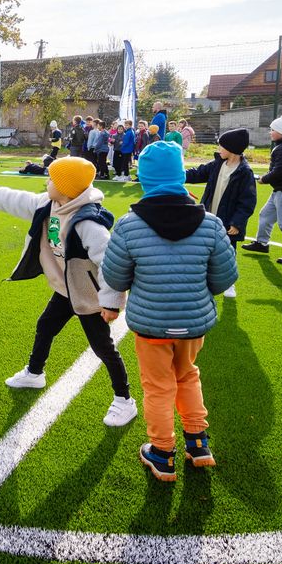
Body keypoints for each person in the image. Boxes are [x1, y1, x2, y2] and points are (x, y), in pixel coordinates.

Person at [0, 156, 138, 427]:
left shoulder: (89, 223)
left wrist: (111, 302)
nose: (47, 181)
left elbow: (109, 262)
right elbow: (17, 199)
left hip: (89, 297)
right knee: (45, 326)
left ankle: (124, 400)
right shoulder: (48, 204)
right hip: (66, 290)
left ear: (67, 189)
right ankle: (34, 373)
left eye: (52, 179)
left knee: (103, 347)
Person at [102, 141, 238, 481]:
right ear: (180, 177)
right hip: (193, 323)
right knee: (188, 374)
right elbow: (224, 278)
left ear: (145, 180)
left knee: (158, 386)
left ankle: (162, 453)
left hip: (152, 326)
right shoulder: (210, 224)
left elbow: (114, 276)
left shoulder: (129, 225)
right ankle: (197, 442)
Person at [185, 128, 257, 297]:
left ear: (231, 149)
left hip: (228, 222)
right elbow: (197, 173)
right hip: (209, 217)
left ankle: (229, 283)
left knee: (227, 252)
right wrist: (178, 174)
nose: (218, 149)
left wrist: (237, 223)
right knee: (204, 249)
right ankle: (204, 280)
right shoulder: (217, 163)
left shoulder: (244, 172)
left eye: (221, 146)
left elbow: (247, 202)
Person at [241, 113, 282, 266]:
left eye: (273, 129)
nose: (270, 132)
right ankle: (261, 244)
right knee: (265, 215)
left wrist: (264, 179)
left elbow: (280, 172)